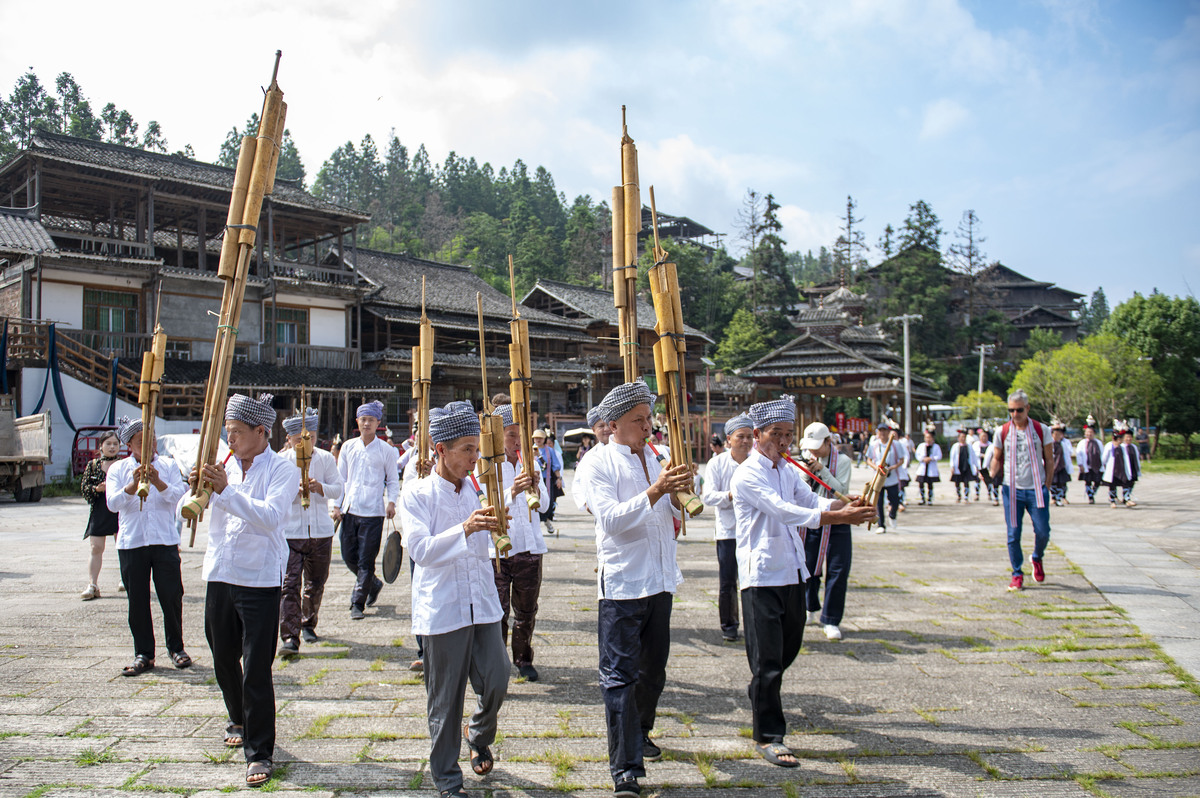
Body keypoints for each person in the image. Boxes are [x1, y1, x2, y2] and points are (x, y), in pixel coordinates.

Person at [731, 396, 875, 769]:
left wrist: (845, 505)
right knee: (768, 661)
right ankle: (769, 735)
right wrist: (841, 519)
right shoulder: (748, 473)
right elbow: (785, 511)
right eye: (775, 434)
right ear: (758, 435)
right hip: (761, 575)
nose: (782, 441)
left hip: (792, 571)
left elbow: (810, 499)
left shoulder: (788, 471)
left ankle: (760, 692)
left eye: (787, 434)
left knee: (787, 649)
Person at [583, 381, 693, 798]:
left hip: (660, 580)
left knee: (654, 672)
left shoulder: (656, 456)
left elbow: (671, 511)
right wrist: (657, 489)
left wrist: (681, 493)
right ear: (612, 425)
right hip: (623, 584)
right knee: (619, 677)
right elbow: (611, 520)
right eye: (638, 420)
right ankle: (625, 768)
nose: (648, 428)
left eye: (649, 419)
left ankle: (640, 733)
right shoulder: (598, 463)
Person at [400, 401, 510, 798]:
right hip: (443, 608)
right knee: (445, 702)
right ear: (440, 449)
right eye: (466, 449)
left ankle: (478, 733)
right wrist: (466, 527)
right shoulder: (417, 493)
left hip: (480, 602)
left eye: (476, 449)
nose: (474, 457)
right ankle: (447, 778)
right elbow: (421, 552)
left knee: (498, 677)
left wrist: (495, 527)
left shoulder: (477, 489)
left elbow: (480, 551)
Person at [192, 393, 297, 788]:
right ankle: (237, 714)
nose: (230, 438)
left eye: (237, 432)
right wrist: (199, 489)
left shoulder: (282, 469)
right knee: (222, 657)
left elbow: (270, 517)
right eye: (228, 431)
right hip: (220, 570)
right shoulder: (222, 464)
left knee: (256, 667)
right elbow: (200, 507)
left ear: (261, 431)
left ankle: (259, 752)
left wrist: (225, 491)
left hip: (259, 577)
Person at [106, 416, 189, 676]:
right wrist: (133, 484)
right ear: (129, 444)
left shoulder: (167, 465)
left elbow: (179, 497)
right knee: (138, 599)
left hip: (164, 540)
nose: (149, 445)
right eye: (142, 441)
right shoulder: (118, 469)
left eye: (151, 439)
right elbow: (112, 503)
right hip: (133, 541)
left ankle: (176, 647)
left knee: (171, 595)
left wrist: (157, 481)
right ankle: (143, 652)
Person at [490, 404, 551, 682]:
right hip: (500, 549)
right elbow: (486, 505)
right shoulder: (488, 463)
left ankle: (523, 658)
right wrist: (513, 489)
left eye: (520, 435)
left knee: (527, 610)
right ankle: (497, 661)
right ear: (499, 434)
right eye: (512, 434)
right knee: (498, 610)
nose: (517, 441)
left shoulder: (530, 461)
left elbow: (545, 505)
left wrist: (536, 487)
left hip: (530, 548)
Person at [278, 409, 344, 655]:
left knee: (315, 582)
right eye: (299, 440)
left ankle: (308, 623)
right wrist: (292, 492)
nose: (305, 443)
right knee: (289, 584)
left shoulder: (325, 459)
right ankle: (289, 636)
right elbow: (274, 496)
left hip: (320, 531)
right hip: (291, 531)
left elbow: (338, 489)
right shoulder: (281, 460)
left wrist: (320, 488)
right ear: (289, 438)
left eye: (311, 437)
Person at [333, 400, 399, 620]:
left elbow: (392, 479)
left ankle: (357, 603)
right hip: (350, 509)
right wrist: (337, 505)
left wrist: (391, 502)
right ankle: (373, 583)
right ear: (357, 422)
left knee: (365, 559)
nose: (367, 423)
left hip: (373, 511)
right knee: (347, 554)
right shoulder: (348, 447)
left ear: (378, 422)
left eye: (371, 419)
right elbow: (340, 479)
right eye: (363, 419)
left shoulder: (386, 450)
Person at [988, 389, 1055, 592]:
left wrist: (1047, 485)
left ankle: (1036, 557)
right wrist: (991, 474)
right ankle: (1017, 573)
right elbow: (996, 457)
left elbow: (1050, 460)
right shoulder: (1003, 431)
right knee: (1013, 533)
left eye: (1018, 410)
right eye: (1011, 410)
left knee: (1043, 531)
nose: (1015, 414)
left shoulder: (1041, 430)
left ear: (1027, 408)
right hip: (1012, 489)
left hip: (1036, 488)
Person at [798, 421, 856, 641]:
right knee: (808, 566)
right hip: (814, 518)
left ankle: (831, 619)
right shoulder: (804, 457)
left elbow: (841, 490)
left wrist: (823, 471)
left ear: (828, 442)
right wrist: (806, 472)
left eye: (817, 446)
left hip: (838, 519)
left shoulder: (842, 461)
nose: (813, 451)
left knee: (838, 570)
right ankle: (809, 606)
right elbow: (801, 490)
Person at [700, 413, 753, 642]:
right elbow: (708, 496)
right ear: (729, 438)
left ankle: (754, 623)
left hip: (753, 530)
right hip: (728, 531)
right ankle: (729, 624)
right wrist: (732, 495)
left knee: (754, 580)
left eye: (750, 437)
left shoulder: (757, 462)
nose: (745, 441)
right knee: (728, 581)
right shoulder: (717, 463)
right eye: (740, 436)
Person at [80, 430, 122, 600]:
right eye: (108, 444)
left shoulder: (123, 464)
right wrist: (96, 489)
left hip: (120, 510)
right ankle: (92, 584)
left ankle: (125, 580)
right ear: (101, 446)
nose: (112, 447)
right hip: (99, 510)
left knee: (123, 547)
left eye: (115, 444)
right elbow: (84, 488)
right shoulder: (93, 465)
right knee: (96, 547)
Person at [865, 422, 903, 531]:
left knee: (895, 500)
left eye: (884, 430)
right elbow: (868, 460)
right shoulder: (874, 445)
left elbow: (901, 460)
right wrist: (876, 467)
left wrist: (892, 467)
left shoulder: (895, 444)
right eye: (880, 431)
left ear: (888, 432)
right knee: (878, 502)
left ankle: (892, 515)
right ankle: (881, 525)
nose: (882, 433)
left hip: (892, 477)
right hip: (878, 478)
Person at [572, 406, 609, 515]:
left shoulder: (627, 449)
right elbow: (577, 482)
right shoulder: (590, 456)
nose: (606, 429)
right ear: (593, 430)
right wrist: (586, 503)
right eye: (601, 426)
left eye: (608, 425)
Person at [533, 428, 563, 536]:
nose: (538, 440)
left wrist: (559, 479)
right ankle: (538, 526)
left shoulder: (549, 451)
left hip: (547, 479)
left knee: (547, 501)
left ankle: (546, 520)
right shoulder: (529, 450)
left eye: (540, 438)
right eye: (536, 438)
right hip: (533, 479)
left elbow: (555, 465)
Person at [1102, 423, 1139, 508]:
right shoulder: (1109, 446)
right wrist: (1104, 467)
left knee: (1125, 483)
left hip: (1122, 469)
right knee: (1112, 485)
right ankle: (1112, 500)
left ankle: (1127, 498)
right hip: (1113, 469)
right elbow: (1104, 458)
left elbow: (1126, 458)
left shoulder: (1123, 447)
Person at [1075, 417, 1104, 505]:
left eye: (1091, 432)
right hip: (1086, 466)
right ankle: (1090, 497)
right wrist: (1080, 465)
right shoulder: (1082, 443)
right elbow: (1078, 454)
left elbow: (1102, 454)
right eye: (1087, 432)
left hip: (1097, 465)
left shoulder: (1098, 443)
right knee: (1088, 482)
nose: (1089, 434)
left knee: (1098, 481)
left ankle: (1092, 492)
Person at [948, 429, 980, 503]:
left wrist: (976, 466)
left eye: (964, 437)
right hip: (958, 466)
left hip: (966, 466)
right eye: (961, 437)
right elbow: (952, 457)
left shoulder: (969, 446)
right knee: (957, 482)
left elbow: (973, 456)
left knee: (966, 482)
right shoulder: (955, 446)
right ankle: (959, 495)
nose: (963, 438)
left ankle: (966, 497)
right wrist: (952, 466)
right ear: (958, 438)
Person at [913, 429, 942, 506]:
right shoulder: (921, 446)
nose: (928, 439)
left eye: (929, 437)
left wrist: (931, 458)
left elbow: (939, 456)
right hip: (923, 467)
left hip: (931, 467)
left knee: (930, 484)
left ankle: (930, 499)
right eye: (926, 437)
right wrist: (923, 459)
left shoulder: (936, 446)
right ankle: (922, 498)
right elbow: (917, 455)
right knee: (921, 483)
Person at [1049, 421, 1074, 507]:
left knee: (1061, 483)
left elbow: (1069, 453)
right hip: (1053, 466)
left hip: (1062, 466)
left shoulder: (1064, 443)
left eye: (1059, 434)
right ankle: (1054, 497)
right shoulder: (1050, 444)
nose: (1057, 436)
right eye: (1056, 434)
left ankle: (1059, 498)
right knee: (1053, 483)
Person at [974, 429, 997, 504]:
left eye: (985, 436)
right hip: (979, 464)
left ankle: (989, 493)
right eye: (982, 436)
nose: (984, 438)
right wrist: (981, 455)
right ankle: (977, 494)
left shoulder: (990, 445)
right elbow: (973, 454)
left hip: (988, 465)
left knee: (988, 480)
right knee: (977, 480)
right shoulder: (976, 444)